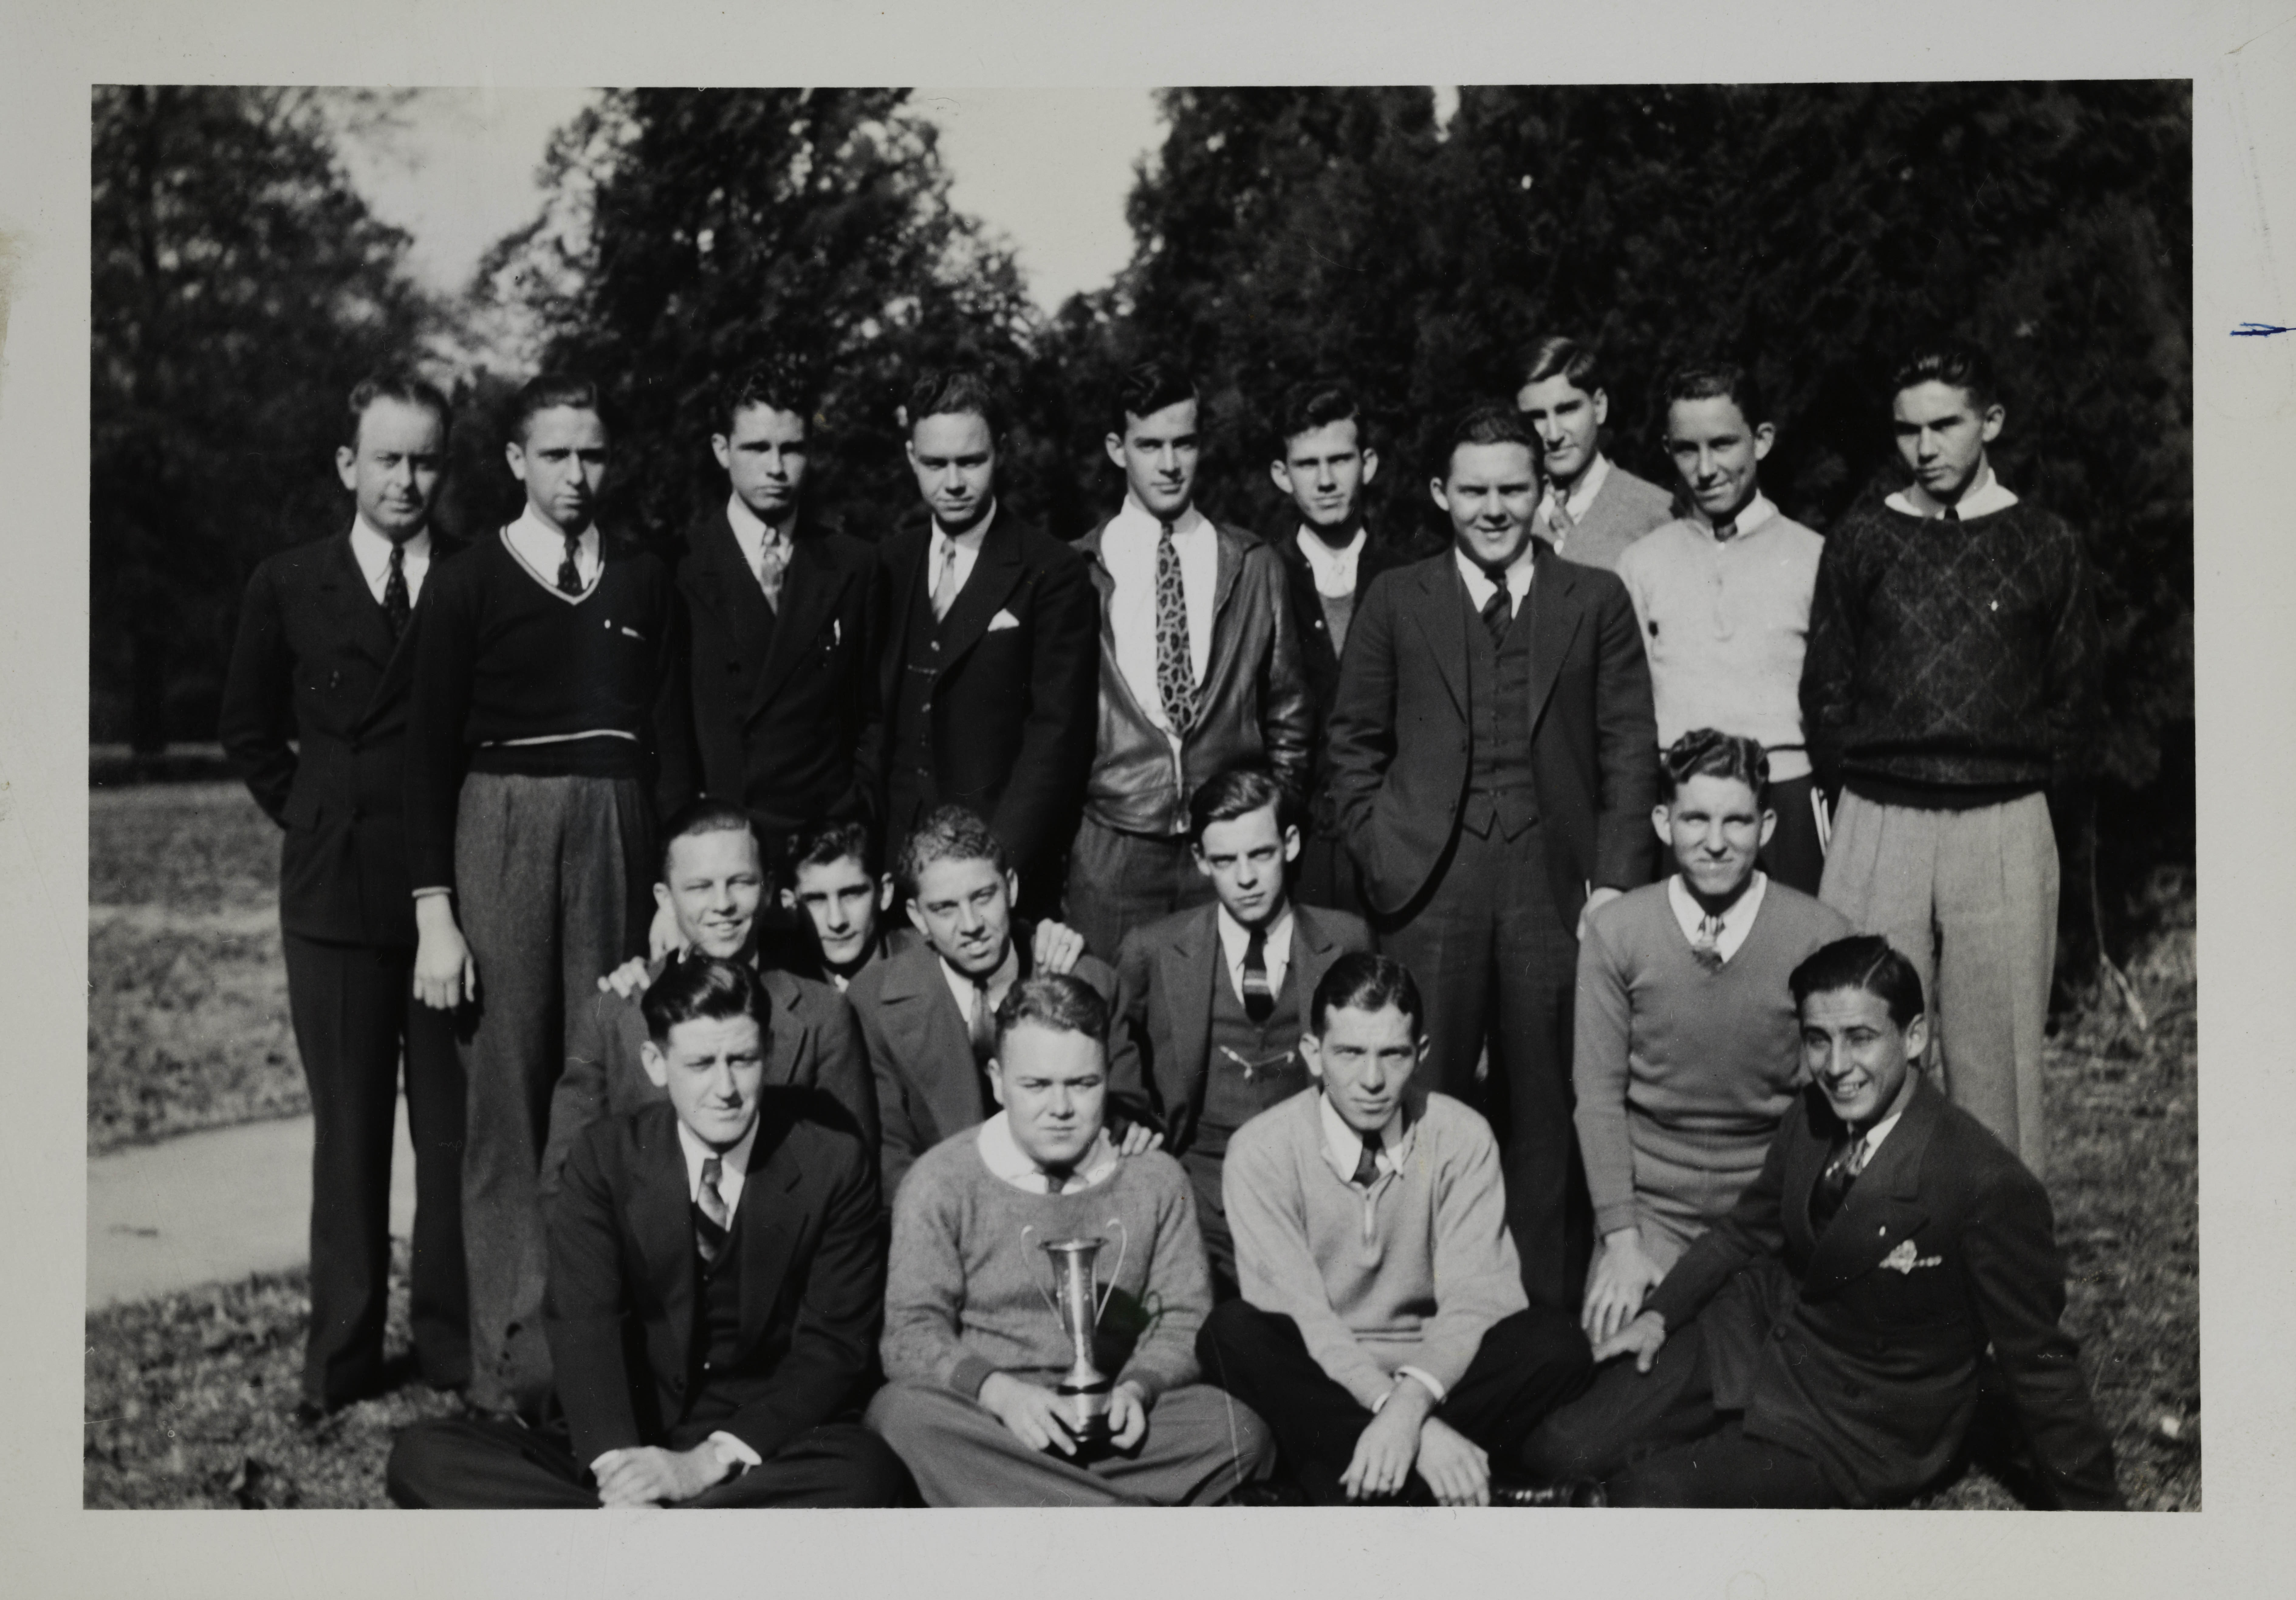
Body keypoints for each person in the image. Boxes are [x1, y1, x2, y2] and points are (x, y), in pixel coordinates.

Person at [1522, 936, 2123, 1510]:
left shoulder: (1981, 1182)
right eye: (1817, 1040)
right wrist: (1659, 1314)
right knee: (1559, 1448)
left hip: (1853, 1421)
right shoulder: (1812, 1114)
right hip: (1754, 1334)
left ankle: (1653, 1469)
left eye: (1859, 1038)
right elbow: (1741, 1233)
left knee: (1641, 1501)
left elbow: (2039, 1365)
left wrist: (2107, 1527)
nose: (1836, 1066)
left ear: (1913, 1036)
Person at [1323, 403, 1658, 1309]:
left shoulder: (1593, 599)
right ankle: (1405, 1314)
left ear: (1542, 490)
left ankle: (1542, 1329)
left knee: (1548, 1113)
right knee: (1411, 1109)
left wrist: (1615, 885)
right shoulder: (1397, 597)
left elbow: (1628, 751)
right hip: (1428, 895)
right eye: (1472, 490)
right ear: (1440, 494)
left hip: (1553, 898)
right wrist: (1382, 850)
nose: (1493, 508)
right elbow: (1349, 744)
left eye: (1513, 488)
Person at [403, 373, 683, 1418]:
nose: (576, 474)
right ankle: (510, 1367)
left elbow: (673, 742)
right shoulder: (469, 580)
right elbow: (423, 755)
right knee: (507, 1098)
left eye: (592, 454)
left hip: (617, 827)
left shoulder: (645, 579)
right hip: (502, 830)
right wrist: (436, 907)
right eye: (555, 454)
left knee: (610, 1077)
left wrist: (664, 886)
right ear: (516, 461)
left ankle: (606, 1353)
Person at [386, 957, 912, 1509]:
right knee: (424, 1456)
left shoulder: (833, 1161)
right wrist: (622, 1472)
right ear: (656, 1064)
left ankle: (621, 1552)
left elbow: (831, 1352)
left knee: (865, 1473)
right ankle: (682, 1542)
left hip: (756, 1447)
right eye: (701, 1063)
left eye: (743, 1060)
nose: (725, 1088)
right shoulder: (605, 1157)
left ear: (770, 1053)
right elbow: (584, 1323)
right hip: (631, 1435)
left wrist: (703, 1464)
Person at [217, 370, 470, 1421]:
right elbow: (246, 733)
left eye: (423, 460)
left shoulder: (471, 576)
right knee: (351, 1131)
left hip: (448, 909)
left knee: (452, 1131)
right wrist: (319, 819)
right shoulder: (289, 581)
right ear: (346, 466)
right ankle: (345, 1355)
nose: (405, 480)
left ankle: (455, 1347)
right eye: (387, 459)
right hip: (332, 901)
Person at [1800, 341, 2097, 1177]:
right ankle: (1861, 1261)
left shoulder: (2045, 542)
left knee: (1997, 1061)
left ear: (1989, 423)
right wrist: (1858, 796)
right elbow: (1826, 684)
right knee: (1858, 1045)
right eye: (1906, 429)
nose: (1924, 447)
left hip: (2001, 820)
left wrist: (2027, 805)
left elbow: (2075, 700)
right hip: (1878, 818)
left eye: (1944, 425)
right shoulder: (1860, 540)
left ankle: (1997, 1278)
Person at [1197, 955, 1595, 1507]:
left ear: (1421, 1053)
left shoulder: (1460, 1135)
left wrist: (1409, 1409)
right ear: (1314, 1055)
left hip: (1435, 1376)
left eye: (1393, 1054)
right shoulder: (1261, 1150)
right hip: (1323, 1377)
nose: (1372, 1080)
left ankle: (1369, 1488)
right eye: (1349, 1053)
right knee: (1232, 1331)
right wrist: (1408, 1425)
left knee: (1557, 1342)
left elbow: (1479, 1300)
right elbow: (1302, 1318)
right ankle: (1435, 1480)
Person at [866, 974, 1274, 1506]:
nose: (1060, 1108)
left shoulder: (1155, 1178)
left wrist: (1138, 1388)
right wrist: (1000, 1394)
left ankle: (1039, 1511)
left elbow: (1183, 1317)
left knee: (1240, 1429)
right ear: (996, 1080)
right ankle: (1119, 1525)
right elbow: (910, 1334)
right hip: (993, 1419)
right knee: (899, 1416)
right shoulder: (941, 1179)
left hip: (1111, 1418)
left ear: (1108, 1077)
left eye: (1082, 1084)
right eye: (1035, 1086)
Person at [1572, 729, 1853, 1346]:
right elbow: (1595, 1096)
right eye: (1695, 818)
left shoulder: (1819, 936)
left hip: (1767, 1210)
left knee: (1780, 1375)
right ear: (1661, 821)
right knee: (1615, 1370)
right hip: (1651, 1212)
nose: (1716, 841)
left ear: (1768, 825)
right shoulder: (1617, 933)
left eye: (1737, 821)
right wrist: (1620, 1240)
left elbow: (1832, 1105)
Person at [1066, 359, 1313, 962]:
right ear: (1116, 449)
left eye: (1183, 443)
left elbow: (1289, 713)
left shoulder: (1252, 564)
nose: (1169, 464)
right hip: (1114, 848)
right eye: (1149, 445)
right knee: (1114, 1025)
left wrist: (1258, 829)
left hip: (1226, 846)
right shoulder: (1075, 571)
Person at [539, 800, 879, 1207]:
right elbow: (564, 1183)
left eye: (740, 882)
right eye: (700, 887)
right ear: (665, 898)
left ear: (769, 888)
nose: (723, 904)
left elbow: (855, 1179)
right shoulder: (611, 1013)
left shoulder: (823, 1015)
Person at [1114, 764, 1372, 1300]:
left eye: (1260, 854)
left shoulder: (1344, 940)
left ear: (1292, 844)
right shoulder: (1154, 949)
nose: (1246, 878)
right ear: (1200, 861)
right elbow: (1117, 1044)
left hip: (1308, 1179)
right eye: (1225, 861)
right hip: (1201, 1182)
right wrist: (1128, 1113)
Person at [875, 368, 1098, 919]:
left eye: (970, 462)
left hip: (1000, 874)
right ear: (910, 457)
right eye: (934, 464)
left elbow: (1057, 734)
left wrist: (998, 865)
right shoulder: (888, 564)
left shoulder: (1052, 570)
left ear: (1000, 452)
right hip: (897, 867)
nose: (952, 482)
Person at [852, 805, 1148, 1204]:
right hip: (949, 1217)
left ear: (1010, 887)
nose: (971, 924)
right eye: (945, 908)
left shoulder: (1089, 980)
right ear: (917, 917)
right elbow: (893, 1161)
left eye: (983, 896)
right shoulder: (875, 1001)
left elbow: (1127, 1119)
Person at [1615, 363, 1828, 895]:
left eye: (1723, 444)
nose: (1705, 468)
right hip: (1683, 806)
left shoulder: (1813, 557)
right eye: (1687, 449)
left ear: (1760, 441)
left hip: (1784, 803)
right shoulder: (1641, 564)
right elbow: (1626, 713)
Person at [669, 359, 880, 881]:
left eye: (792, 449)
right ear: (722, 450)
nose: (776, 468)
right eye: (757, 448)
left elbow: (875, 713)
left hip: (826, 849)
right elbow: (666, 731)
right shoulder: (678, 565)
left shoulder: (852, 563)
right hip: (724, 852)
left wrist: (853, 810)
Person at [1267, 380, 1410, 916]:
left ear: (1367, 464)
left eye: (1340, 460)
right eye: (1307, 464)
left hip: (1392, 839)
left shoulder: (1412, 576)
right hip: (1297, 841)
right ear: (1282, 475)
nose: (1325, 480)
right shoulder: (1262, 577)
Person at [1513, 336, 1675, 572]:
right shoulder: (1508, 513)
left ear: (1599, 407)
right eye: (1537, 417)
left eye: (1568, 410)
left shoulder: (1656, 512)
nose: (1554, 434)